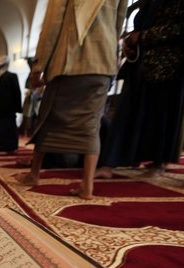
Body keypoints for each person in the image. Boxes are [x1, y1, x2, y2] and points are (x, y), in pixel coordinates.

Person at [16, 0, 127, 199]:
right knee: (91, 124)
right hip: (103, 61)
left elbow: (52, 25)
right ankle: (87, 186)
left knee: (47, 117)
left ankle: (34, 175)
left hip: (69, 62)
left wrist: (38, 66)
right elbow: (118, 23)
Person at [97, 0, 184, 179]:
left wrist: (143, 37)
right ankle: (110, 163)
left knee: (161, 117)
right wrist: (131, 44)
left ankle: (158, 163)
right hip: (142, 62)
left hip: (169, 65)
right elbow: (141, 24)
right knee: (128, 112)